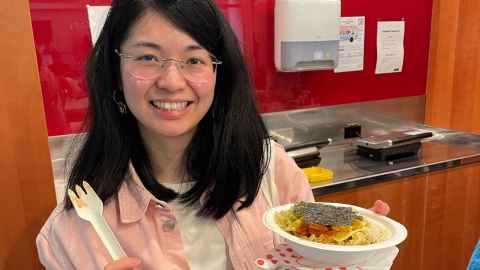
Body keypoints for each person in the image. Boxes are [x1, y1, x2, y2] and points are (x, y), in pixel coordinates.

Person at [36, 0, 390, 269]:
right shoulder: (72, 229)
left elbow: (309, 242)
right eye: (147, 57)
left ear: (219, 75)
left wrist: (361, 238)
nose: (172, 82)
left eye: (194, 60)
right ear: (115, 72)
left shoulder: (270, 167)